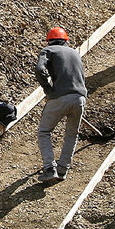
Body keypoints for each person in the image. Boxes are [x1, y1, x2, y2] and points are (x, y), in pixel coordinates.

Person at [34, 27, 87, 183]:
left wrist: (48, 89)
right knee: (72, 133)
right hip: (80, 98)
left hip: (59, 97)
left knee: (44, 131)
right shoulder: (75, 53)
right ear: (66, 41)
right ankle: (63, 169)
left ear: (49, 40)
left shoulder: (48, 50)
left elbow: (39, 69)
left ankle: (50, 168)